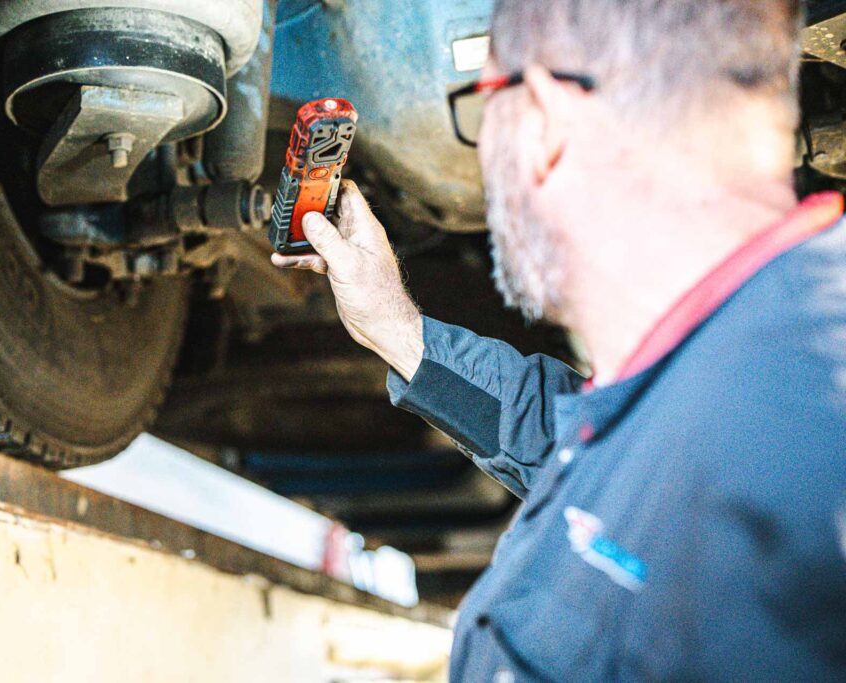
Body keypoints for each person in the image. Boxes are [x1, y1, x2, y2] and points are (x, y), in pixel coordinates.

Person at [273, 0, 846, 680]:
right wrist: (399, 332)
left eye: (487, 104)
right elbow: (592, 454)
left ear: (543, 121)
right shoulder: (738, 374)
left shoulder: (809, 421)